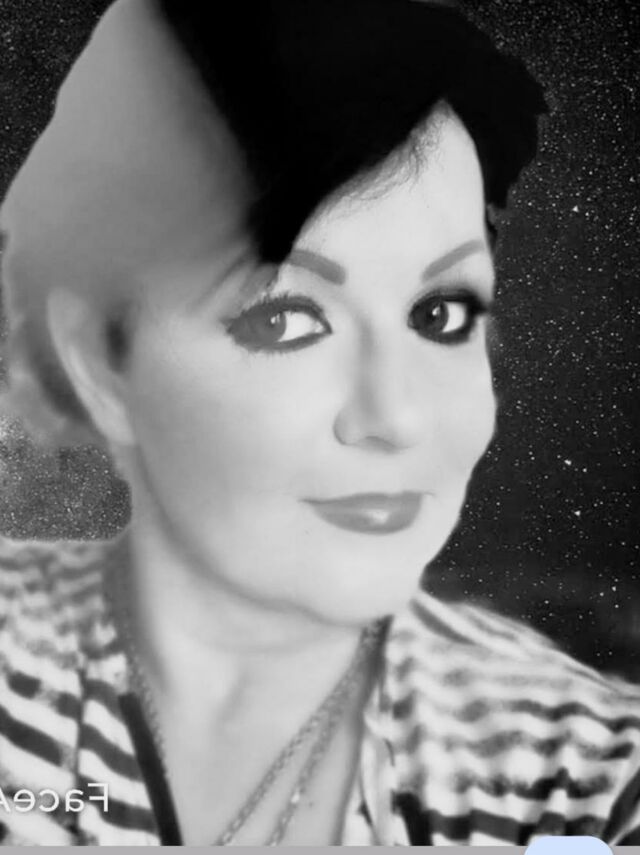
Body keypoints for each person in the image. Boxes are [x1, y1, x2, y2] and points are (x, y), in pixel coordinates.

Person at [0, 0, 639, 846]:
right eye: (284, 318)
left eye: (442, 314)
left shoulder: (588, 776)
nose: (397, 416)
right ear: (101, 362)